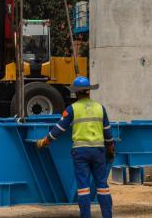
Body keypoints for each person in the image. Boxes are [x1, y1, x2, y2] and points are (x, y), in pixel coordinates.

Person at [36, 76, 114, 218]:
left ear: (76, 93)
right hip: (98, 151)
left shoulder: (72, 109)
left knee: (83, 188)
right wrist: (110, 149)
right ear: (89, 92)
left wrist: (45, 141)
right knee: (102, 186)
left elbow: (58, 129)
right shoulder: (100, 108)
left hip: (81, 152)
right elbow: (108, 133)